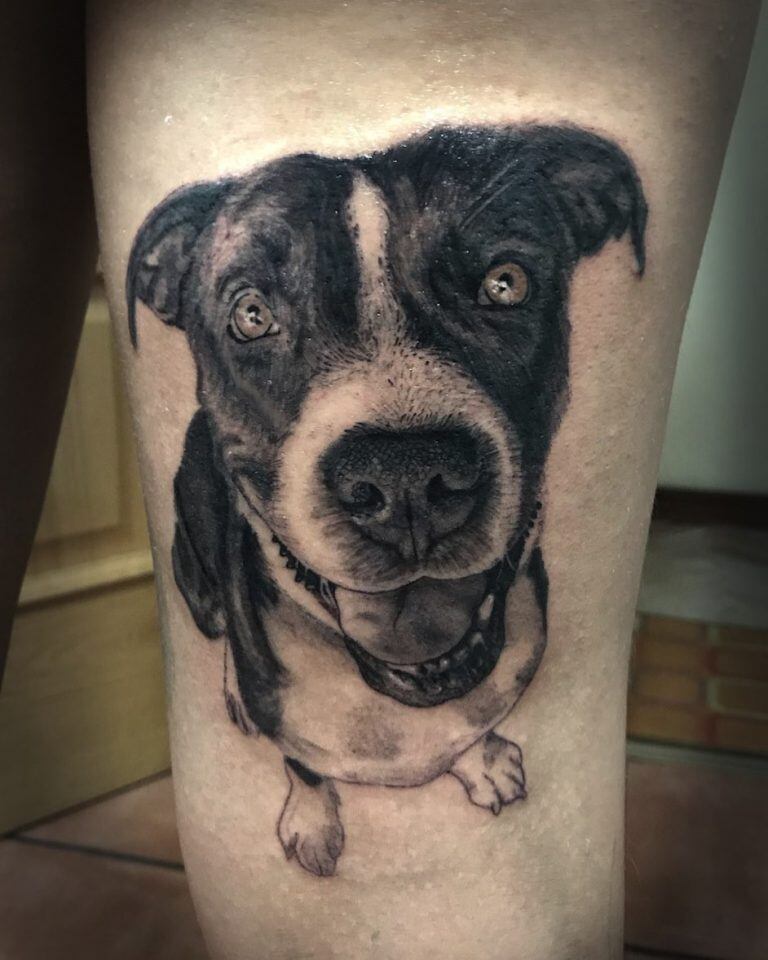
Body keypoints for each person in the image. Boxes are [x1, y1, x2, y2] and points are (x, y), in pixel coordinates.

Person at [1, 2, 760, 957]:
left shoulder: (523, 623)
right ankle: (302, 771)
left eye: (502, 286)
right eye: (253, 316)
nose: (401, 471)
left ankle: (467, 745)